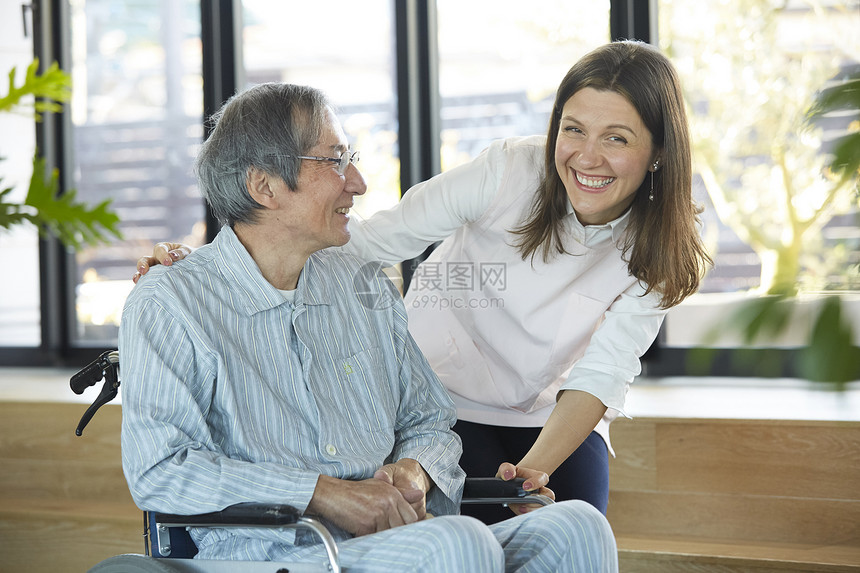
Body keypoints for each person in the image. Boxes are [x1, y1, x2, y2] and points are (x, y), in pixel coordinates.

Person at [133, 40, 712, 523]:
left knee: (576, 529)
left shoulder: (664, 240)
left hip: (553, 409)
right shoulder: (508, 171)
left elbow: (603, 370)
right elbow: (371, 242)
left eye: (617, 137)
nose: (587, 157)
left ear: (659, 151)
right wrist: (214, 267)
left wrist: (533, 471)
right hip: (449, 396)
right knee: (475, 537)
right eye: (573, 129)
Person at [119, 81, 618, 571]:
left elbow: (429, 421)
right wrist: (323, 495)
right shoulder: (171, 302)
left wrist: (416, 473)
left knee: (576, 526)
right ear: (263, 186)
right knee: (458, 542)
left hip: (393, 542)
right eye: (335, 161)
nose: (357, 182)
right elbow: (160, 469)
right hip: (271, 552)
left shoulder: (361, 284)